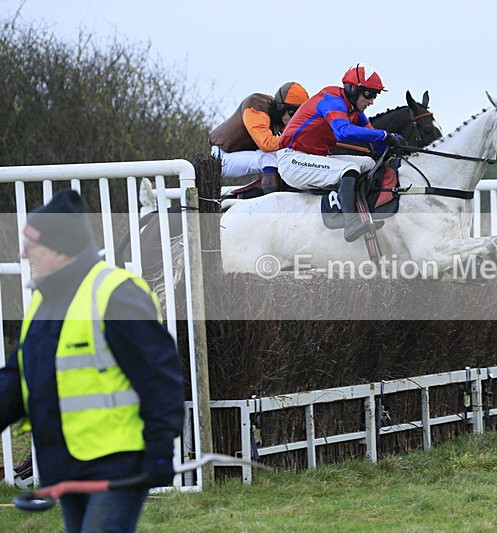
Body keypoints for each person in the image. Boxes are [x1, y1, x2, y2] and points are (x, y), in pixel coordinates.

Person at [0, 189, 185, 533]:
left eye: (33, 245)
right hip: (66, 465)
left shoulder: (116, 293)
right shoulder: (43, 304)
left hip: (118, 464)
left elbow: (160, 376)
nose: (24, 254)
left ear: (61, 249)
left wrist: (160, 451)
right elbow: (15, 378)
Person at [277, 64, 405, 242]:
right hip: (292, 160)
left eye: (375, 95)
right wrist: (384, 135)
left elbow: (375, 139)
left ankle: (367, 209)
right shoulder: (332, 99)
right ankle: (352, 222)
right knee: (349, 169)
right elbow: (343, 132)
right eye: (368, 94)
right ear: (353, 88)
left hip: (315, 157)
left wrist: (397, 149)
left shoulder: (354, 111)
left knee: (368, 163)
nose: (372, 101)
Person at [209, 81, 310, 192]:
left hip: (242, 155)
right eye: (293, 113)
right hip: (221, 158)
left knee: (287, 156)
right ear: (281, 107)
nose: (295, 120)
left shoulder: (280, 117)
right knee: (268, 159)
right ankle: (273, 199)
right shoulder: (256, 105)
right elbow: (266, 143)